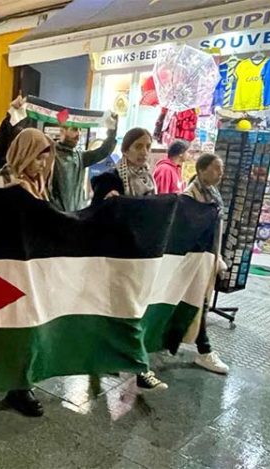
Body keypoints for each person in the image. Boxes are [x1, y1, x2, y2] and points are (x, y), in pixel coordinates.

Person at [91, 127, 167, 392]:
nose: (143, 152)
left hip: (141, 258)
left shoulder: (149, 179)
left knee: (134, 312)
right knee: (123, 312)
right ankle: (140, 369)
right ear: (125, 149)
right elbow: (96, 215)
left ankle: (123, 362)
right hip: (115, 260)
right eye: (138, 146)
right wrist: (110, 204)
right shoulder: (109, 179)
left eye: (147, 146)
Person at [0, 127, 54, 417]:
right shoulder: (2, 182)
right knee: (15, 325)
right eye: (39, 158)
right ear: (24, 153)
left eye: (45, 158)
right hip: (8, 267)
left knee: (28, 324)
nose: (42, 164)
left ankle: (19, 381)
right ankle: (17, 387)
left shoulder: (37, 181)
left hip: (32, 266)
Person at [183, 153, 230, 375]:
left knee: (197, 304)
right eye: (216, 168)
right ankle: (204, 349)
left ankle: (202, 348)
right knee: (198, 304)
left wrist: (217, 258)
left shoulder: (212, 194)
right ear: (201, 170)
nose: (220, 173)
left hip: (207, 258)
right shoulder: (190, 196)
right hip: (194, 261)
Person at [50, 117, 118, 212]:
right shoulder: (51, 155)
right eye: (74, 129)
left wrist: (112, 131)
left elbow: (103, 151)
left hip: (78, 214)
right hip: (57, 215)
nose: (79, 134)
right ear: (62, 131)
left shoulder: (80, 156)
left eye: (80, 130)